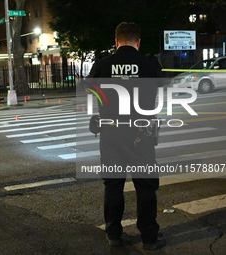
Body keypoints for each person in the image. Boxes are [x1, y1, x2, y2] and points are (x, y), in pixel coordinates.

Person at [88, 22, 165, 251]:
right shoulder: (149, 63)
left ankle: (113, 235)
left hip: (111, 134)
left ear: (116, 41)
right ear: (138, 42)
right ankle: (150, 238)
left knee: (113, 185)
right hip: (140, 135)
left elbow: (90, 90)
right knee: (145, 185)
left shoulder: (103, 64)